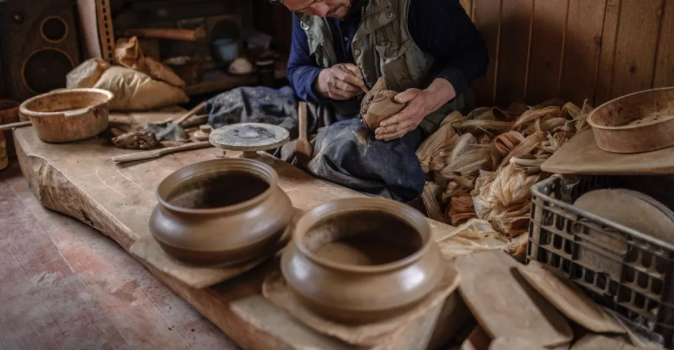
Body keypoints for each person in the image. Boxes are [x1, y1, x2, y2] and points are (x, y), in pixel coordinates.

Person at [274, 0, 488, 202]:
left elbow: (472, 54)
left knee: (348, 149)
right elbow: (296, 69)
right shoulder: (309, 6)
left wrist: (429, 98)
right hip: (338, 108)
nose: (320, 12)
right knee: (243, 101)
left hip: (411, 116)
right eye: (304, 8)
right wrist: (321, 80)